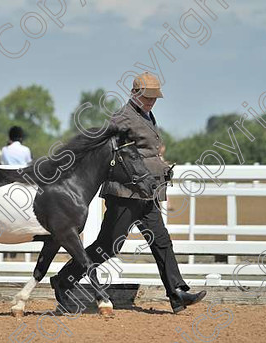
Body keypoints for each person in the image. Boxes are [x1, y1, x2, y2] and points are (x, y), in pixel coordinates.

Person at [50, 72, 206, 314]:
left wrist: (161, 168)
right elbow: (104, 144)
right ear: (134, 93)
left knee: (161, 241)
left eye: (155, 97)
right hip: (125, 194)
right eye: (148, 97)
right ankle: (64, 279)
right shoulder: (123, 117)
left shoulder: (147, 115)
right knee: (108, 246)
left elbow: (147, 153)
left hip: (147, 192)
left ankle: (177, 293)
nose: (152, 101)